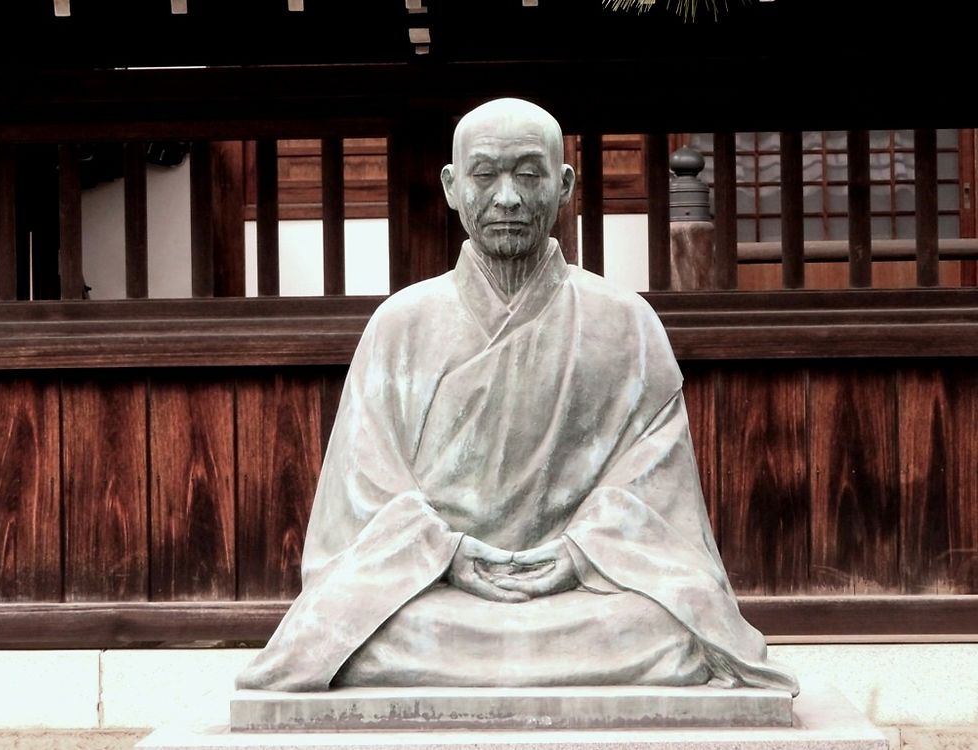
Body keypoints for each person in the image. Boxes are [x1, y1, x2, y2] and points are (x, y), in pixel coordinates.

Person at [236, 98, 798, 695]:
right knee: (345, 626)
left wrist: (580, 554)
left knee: (667, 625)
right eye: (485, 174)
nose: (507, 198)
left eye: (529, 175)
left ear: (564, 184)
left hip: (579, 591)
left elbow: (657, 493)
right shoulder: (400, 325)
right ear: (452, 187)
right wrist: (446, 554)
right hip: (434, 590)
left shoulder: (626, 323)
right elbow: (363, 496)